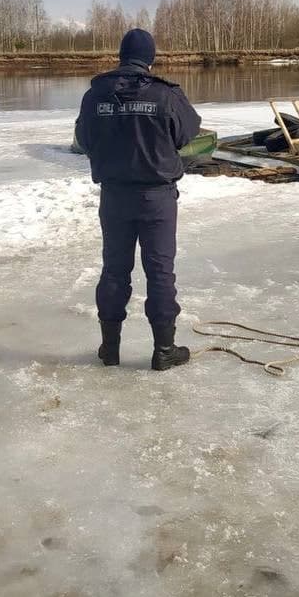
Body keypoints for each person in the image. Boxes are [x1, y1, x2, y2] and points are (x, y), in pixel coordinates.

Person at [75, 28, 202, 371]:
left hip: (115, 196)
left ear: (121, 55)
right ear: (150, 58)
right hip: (156, 198)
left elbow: (83, 138)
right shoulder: (165, 94)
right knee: (160, 272)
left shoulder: (96, 93)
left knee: (115, 270)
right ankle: (164, 350)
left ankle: (109, 348)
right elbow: (189, 132)